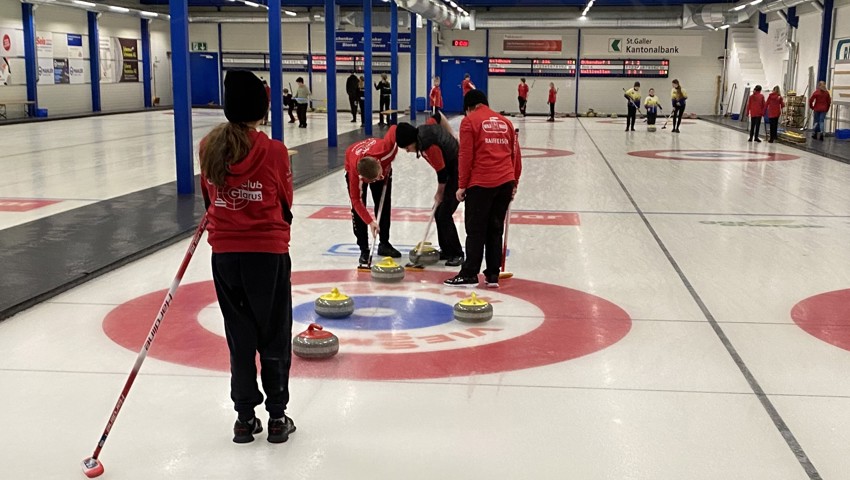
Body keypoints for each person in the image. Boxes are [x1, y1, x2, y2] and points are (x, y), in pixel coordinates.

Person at [198, 70, 296, 445]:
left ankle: (244, 418)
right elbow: (285, 201)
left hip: (225, 255)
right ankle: (277, 416)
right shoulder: (274, 151)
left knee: (240, 337)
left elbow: (209, 199)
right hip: (267, 255)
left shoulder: (208, 146)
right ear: (261, 108)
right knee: (273, 334)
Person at [445, 90, 522, 289]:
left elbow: (465, 155)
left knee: (476, 230)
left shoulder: (469, 122)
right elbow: (515, 155)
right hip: (505, 182)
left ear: (468, 108)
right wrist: (514, 182)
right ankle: (493, 274)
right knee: (495, 229)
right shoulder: (505, 122)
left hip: (481, 183)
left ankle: (470, 273)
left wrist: (462, 185)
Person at [395, 112, 464, 266]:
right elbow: (438, 115)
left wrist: (439, 194)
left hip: (459, 172)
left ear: (412, 141)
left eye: (407, 147)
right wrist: (453, 134)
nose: (407, 151)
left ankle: (457, 253)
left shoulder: (428, 147)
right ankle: (447, 250)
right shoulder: (424, 128)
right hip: (452, 171)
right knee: (439, 212)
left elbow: (442, 175)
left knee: (444, 213)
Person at [344, 126, 403, 266]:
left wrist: (385, 171)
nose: (378, 179)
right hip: (353, 160)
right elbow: (356, 201)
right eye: (373, 180)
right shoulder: (355, 176)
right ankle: (364, 249)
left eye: (378, 177)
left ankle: (384, 243)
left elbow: (394, 128)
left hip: (380, 160)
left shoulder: (387, 149)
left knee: (384, 204)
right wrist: (370, 222)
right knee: (358, 212)